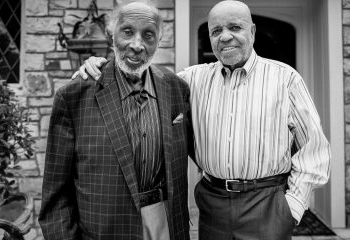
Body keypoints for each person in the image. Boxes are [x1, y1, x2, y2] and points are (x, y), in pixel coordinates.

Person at [76, 1, 331, 239]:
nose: (225, 36)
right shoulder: (192, 80)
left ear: (252, 31)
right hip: (213, 203)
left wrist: (292, 208)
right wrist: (102, 65)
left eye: (234, 27)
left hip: (266, 203)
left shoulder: (285, 78)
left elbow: (313, 148)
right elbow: (141, 78)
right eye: (216, 30)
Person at [39, 2, 192, 240]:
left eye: (148, 35)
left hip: (167, 225)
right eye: (128, 32)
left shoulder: (176, 88)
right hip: (104, 229)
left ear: (158, 41)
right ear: (112, 35)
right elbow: (57, 194)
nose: (137, 45)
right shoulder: (74, 96)